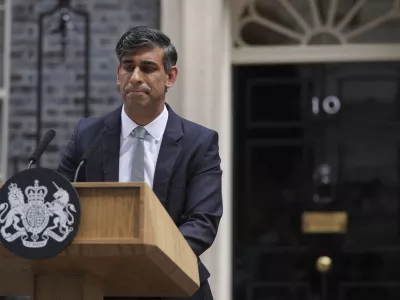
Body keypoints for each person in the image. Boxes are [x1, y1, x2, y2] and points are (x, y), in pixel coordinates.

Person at [57, 26, 223, 300]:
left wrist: (144, 262)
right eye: (128, 67)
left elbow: (202, 222)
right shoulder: (87, 136)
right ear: (117, 75)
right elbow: (61, 205)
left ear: (170, 76)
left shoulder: (199, 142)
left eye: (147, 68)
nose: (135, 77)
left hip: (174, 284)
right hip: (98, 285)